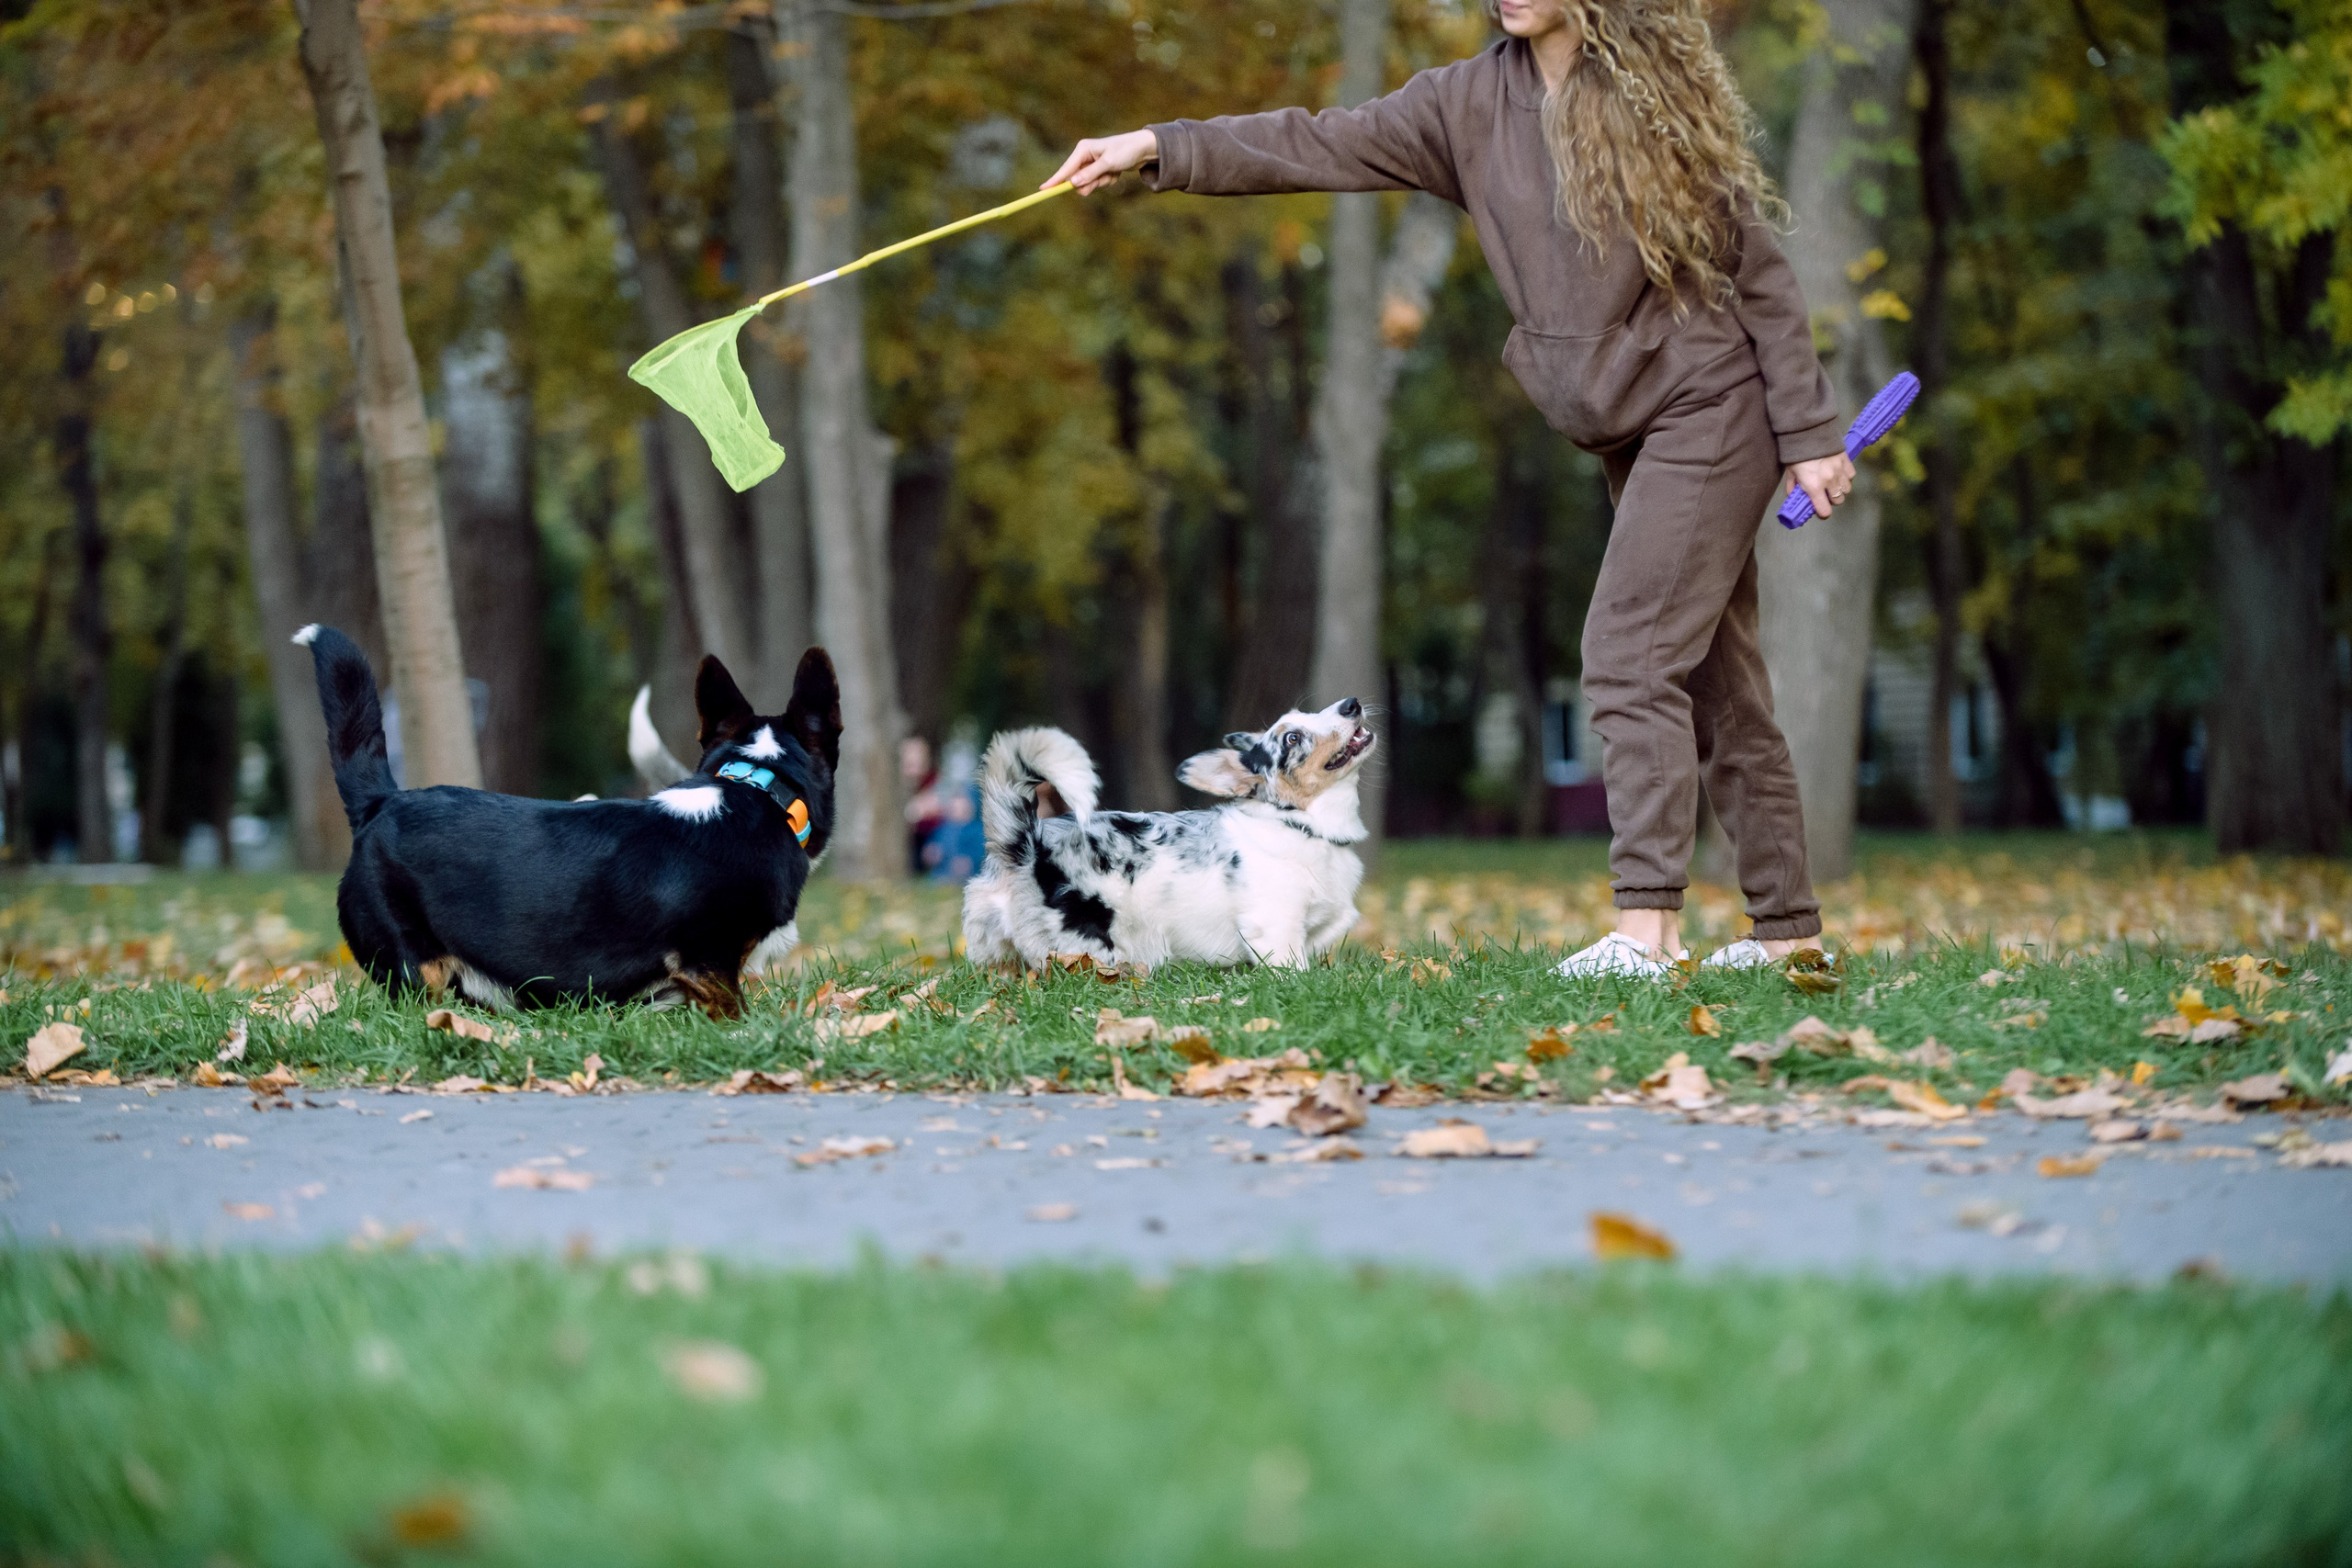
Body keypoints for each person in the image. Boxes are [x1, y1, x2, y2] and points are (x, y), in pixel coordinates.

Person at [1047, 0, 1855, 977]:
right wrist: (1156, 146)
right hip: (1626, 419)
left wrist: (1809, 433)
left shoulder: (1649, 102)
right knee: (1720, 680)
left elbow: (1757, 273)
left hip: (1712, 406)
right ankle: (1789, 935)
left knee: (1628, 653)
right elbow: (1315, 142)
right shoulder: (1465, 103)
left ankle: (1647, 932)